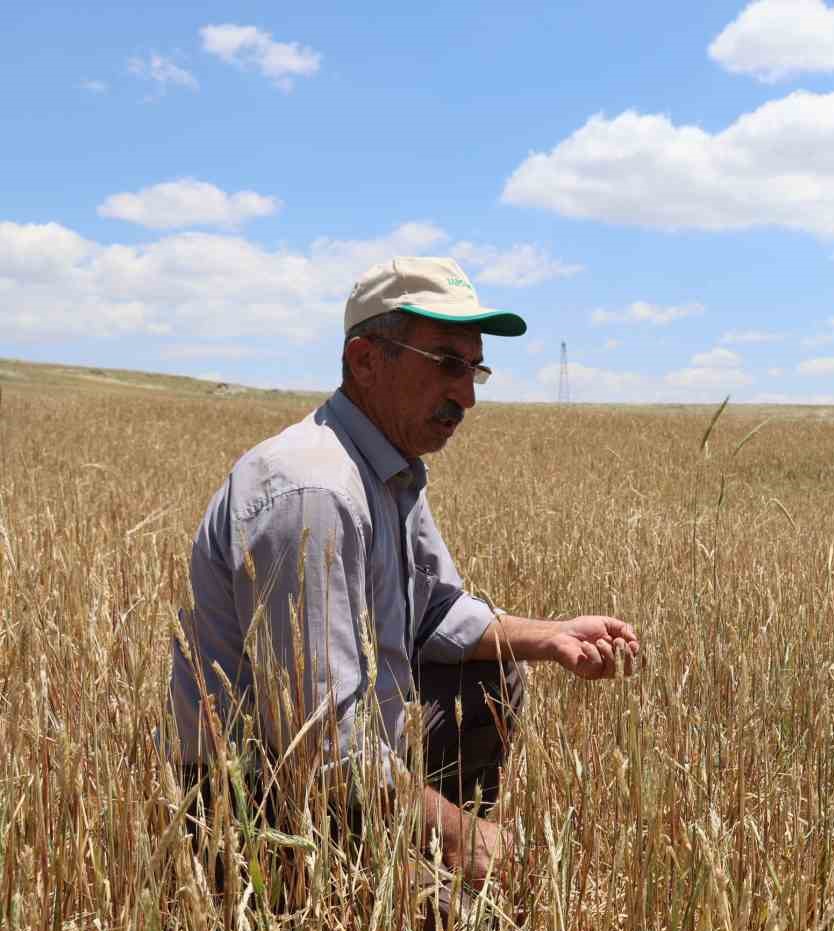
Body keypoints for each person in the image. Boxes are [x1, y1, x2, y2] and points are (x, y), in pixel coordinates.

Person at [168, 256, 642, 887]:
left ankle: (425, 861)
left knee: (494, 675)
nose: (467, 395)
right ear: (367, 360)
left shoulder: (388, 470)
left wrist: (552, 637)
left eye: (475, 368)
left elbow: (439, 613)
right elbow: (319, 745)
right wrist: (456, 833)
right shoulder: (315, 492)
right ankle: (363, 890)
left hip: (347, 770)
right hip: (255, 804)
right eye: (447, 363)